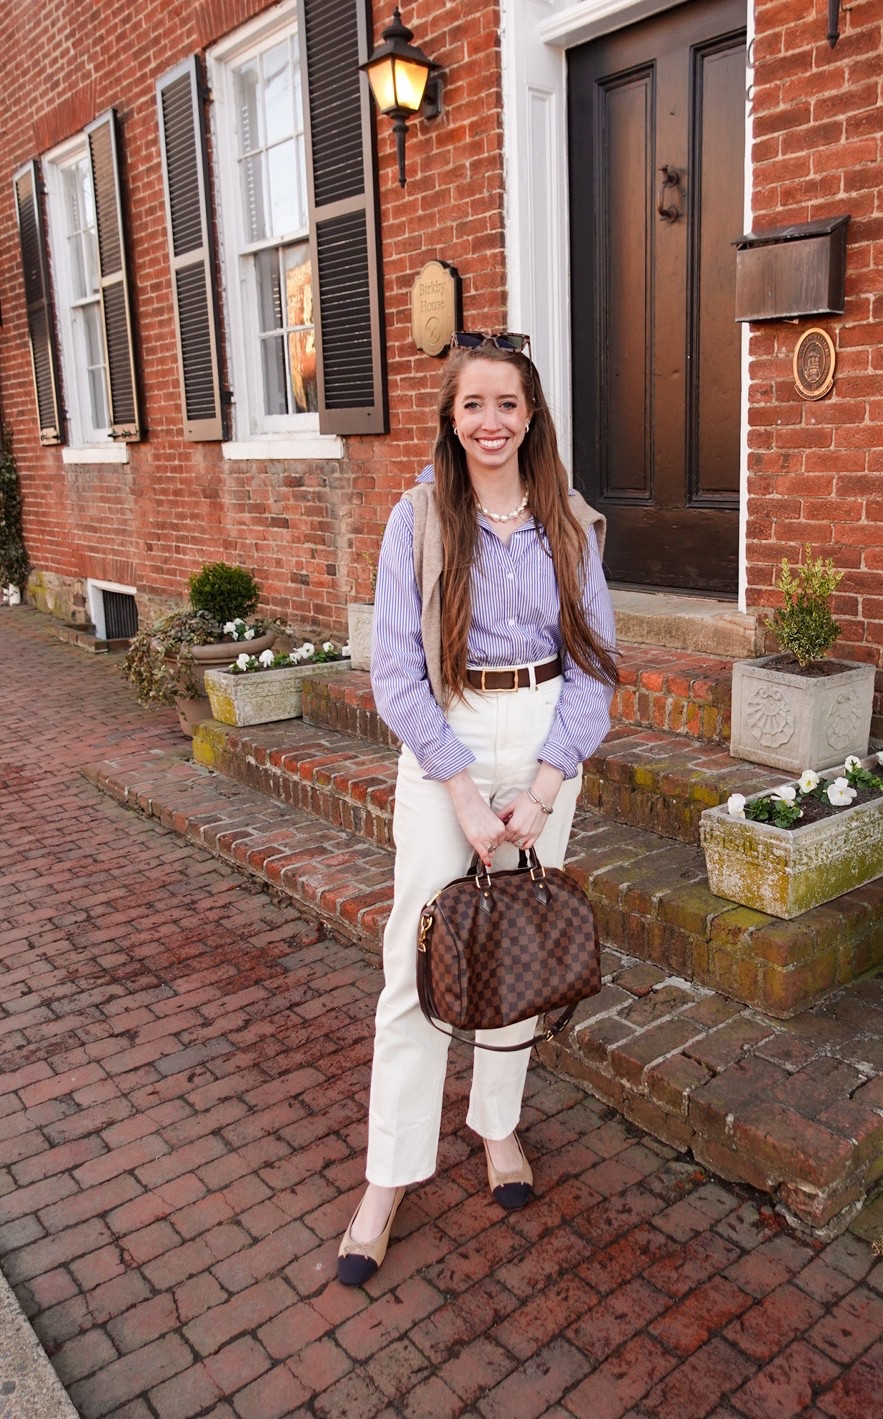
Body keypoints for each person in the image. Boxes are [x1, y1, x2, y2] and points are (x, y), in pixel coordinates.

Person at [337, 331, 617, 1285]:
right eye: (473, 405)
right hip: (445, 736)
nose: (490, 422)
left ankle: (497, 1125)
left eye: (507, 404)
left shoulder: (569, 521)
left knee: (515, 949)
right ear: (451, 418)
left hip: (541, 736)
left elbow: (595, 667)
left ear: (530, 415)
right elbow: (394, 672)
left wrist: (545, 786)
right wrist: (457, 784)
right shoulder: (416, 519)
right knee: (415, 962)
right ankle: (388, 1176)